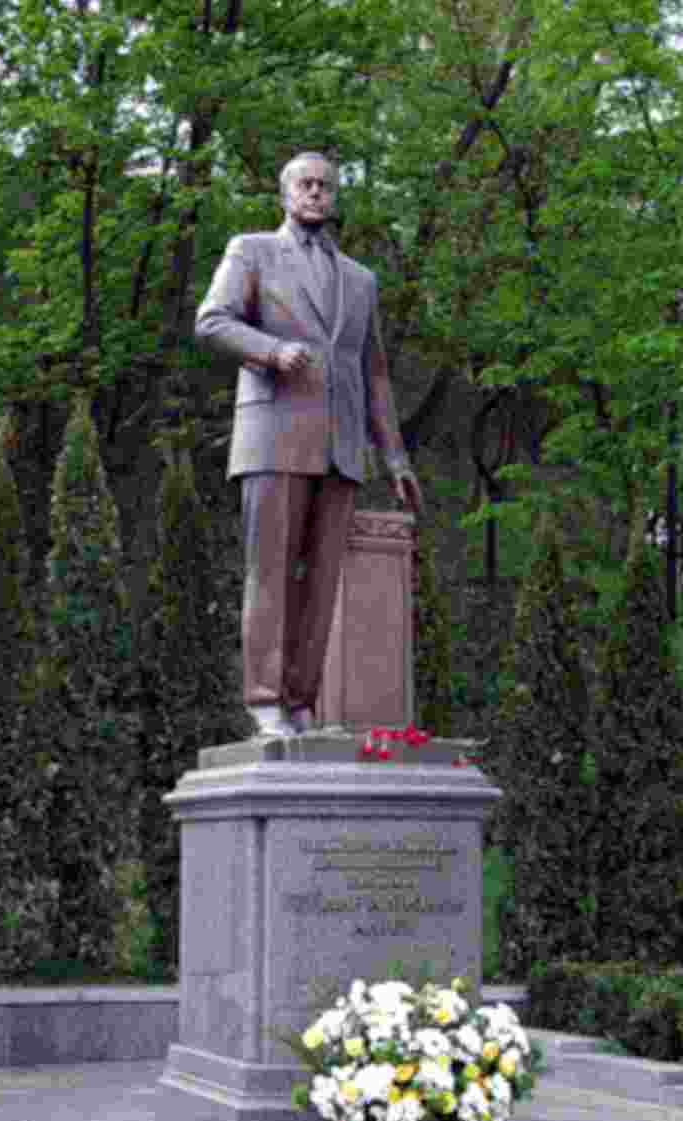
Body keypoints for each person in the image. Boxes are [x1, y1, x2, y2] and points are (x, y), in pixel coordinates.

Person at [194, 150, 423, 737]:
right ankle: (266, 699)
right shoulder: (252, 251)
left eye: (325, 186)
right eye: (306, 184)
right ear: (286, 194)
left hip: (341, 444)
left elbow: (374, 373)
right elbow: (212, 320)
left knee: (322, 582)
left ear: (334, 196)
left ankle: (301, 701)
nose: (316, 193)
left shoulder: (360, 279)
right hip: (272, 434)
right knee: (268, 571)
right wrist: (270, 352)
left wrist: (394, 455)